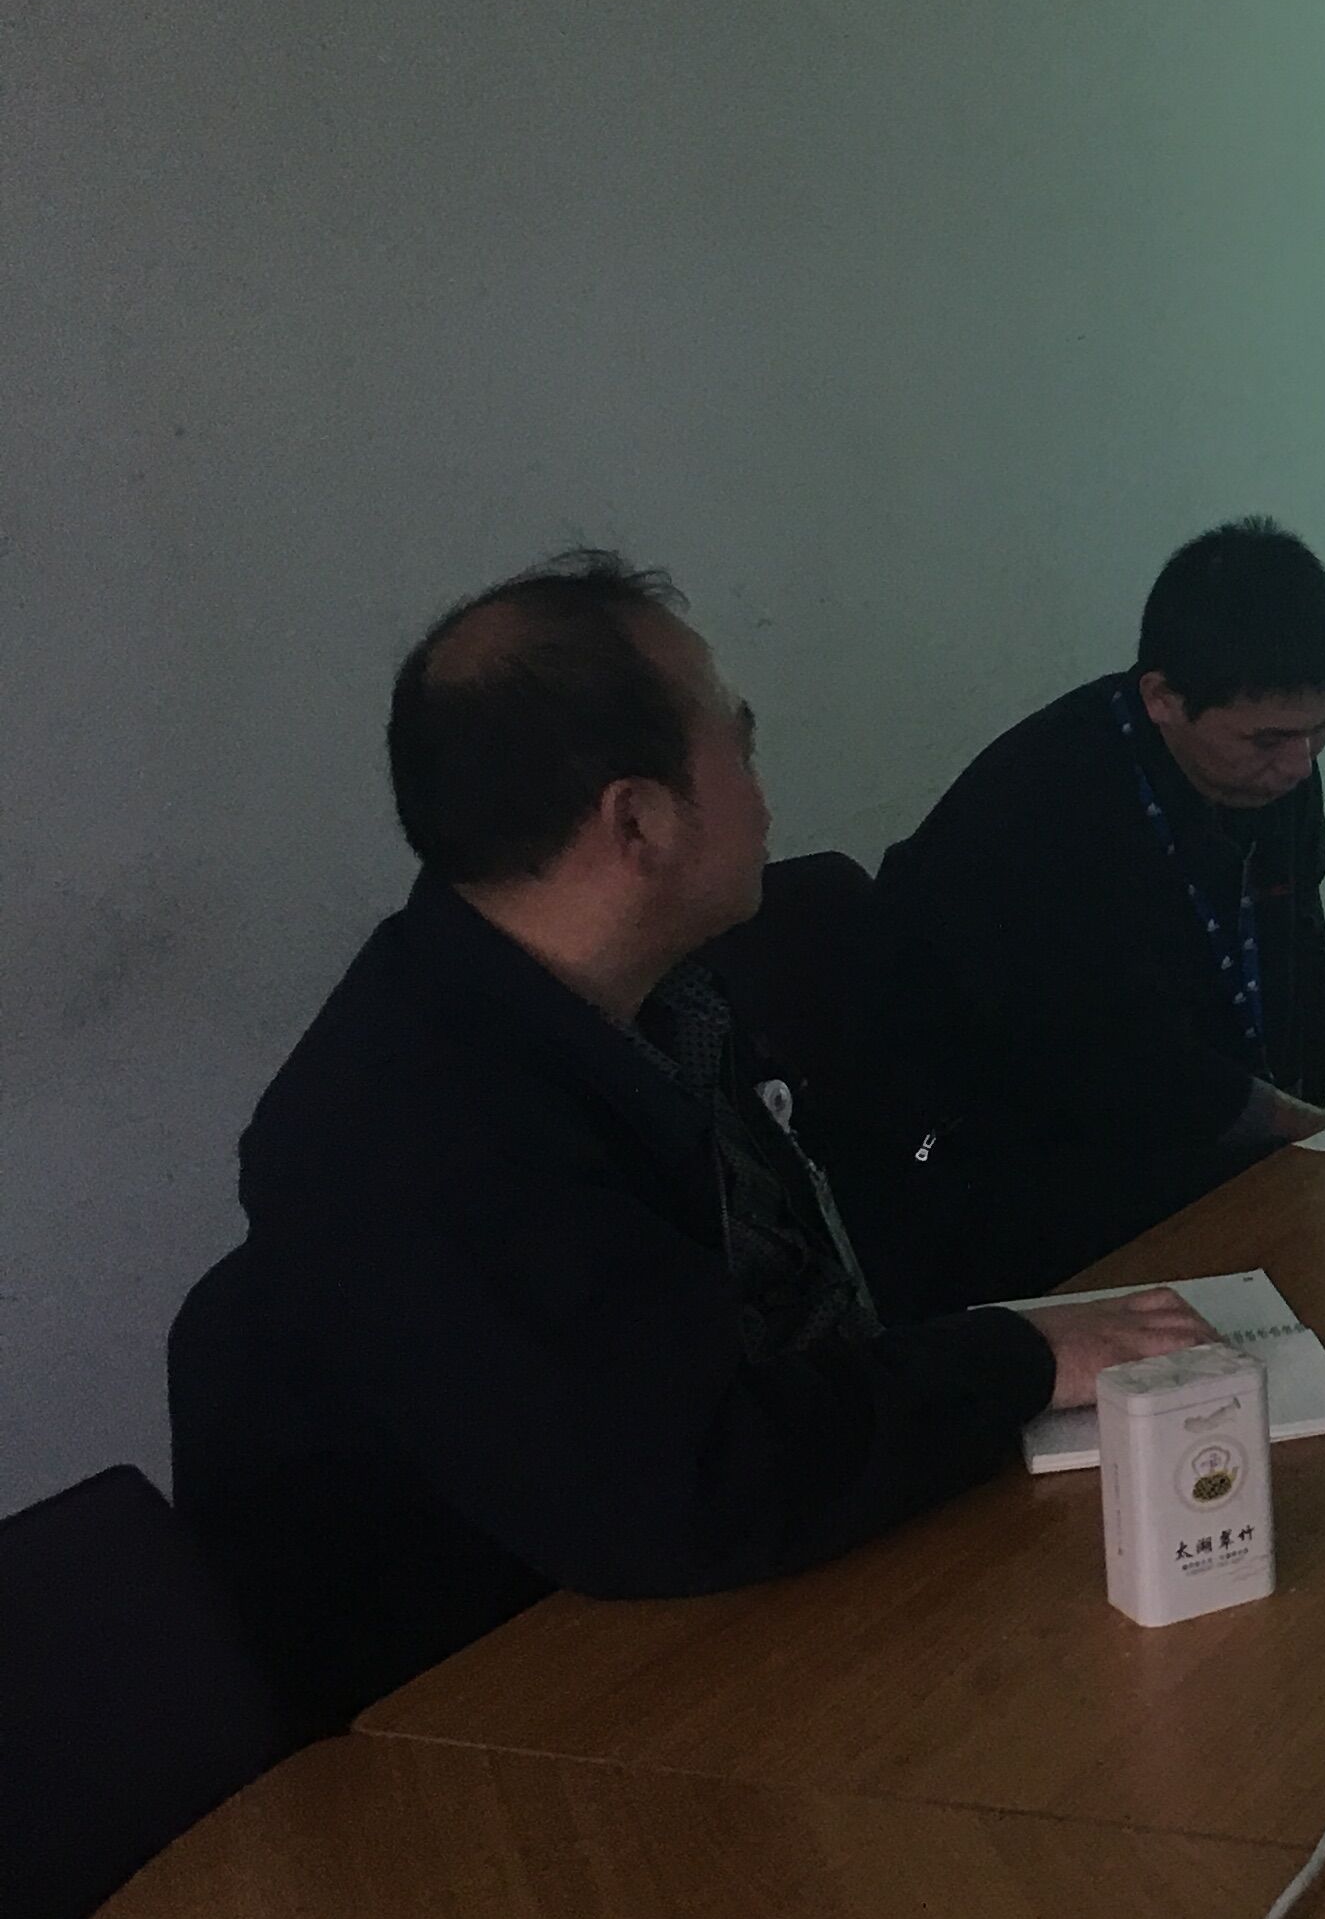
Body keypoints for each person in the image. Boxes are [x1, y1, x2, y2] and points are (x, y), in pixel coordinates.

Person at [172, 556, 1205, 1739]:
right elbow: (696, 1485)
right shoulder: (414, 1134)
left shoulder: (653, 1006)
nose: (764, 796)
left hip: (752, 1607)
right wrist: (1015, 1360)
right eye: (741, 747)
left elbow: (819, 1304)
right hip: (536, 1728)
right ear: (640, 821)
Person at [873, 519, 1325, 1300]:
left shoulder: (1273, 774)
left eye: (1322, 729)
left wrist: (1304, 1128)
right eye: (1268, 739)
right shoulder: (1039, 807)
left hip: (1197, 1149)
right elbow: (1106, 1055)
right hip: (1024, 1190)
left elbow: (1293, 957)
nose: (1299, 765)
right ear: (1162, 698)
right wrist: (1302, 1128)